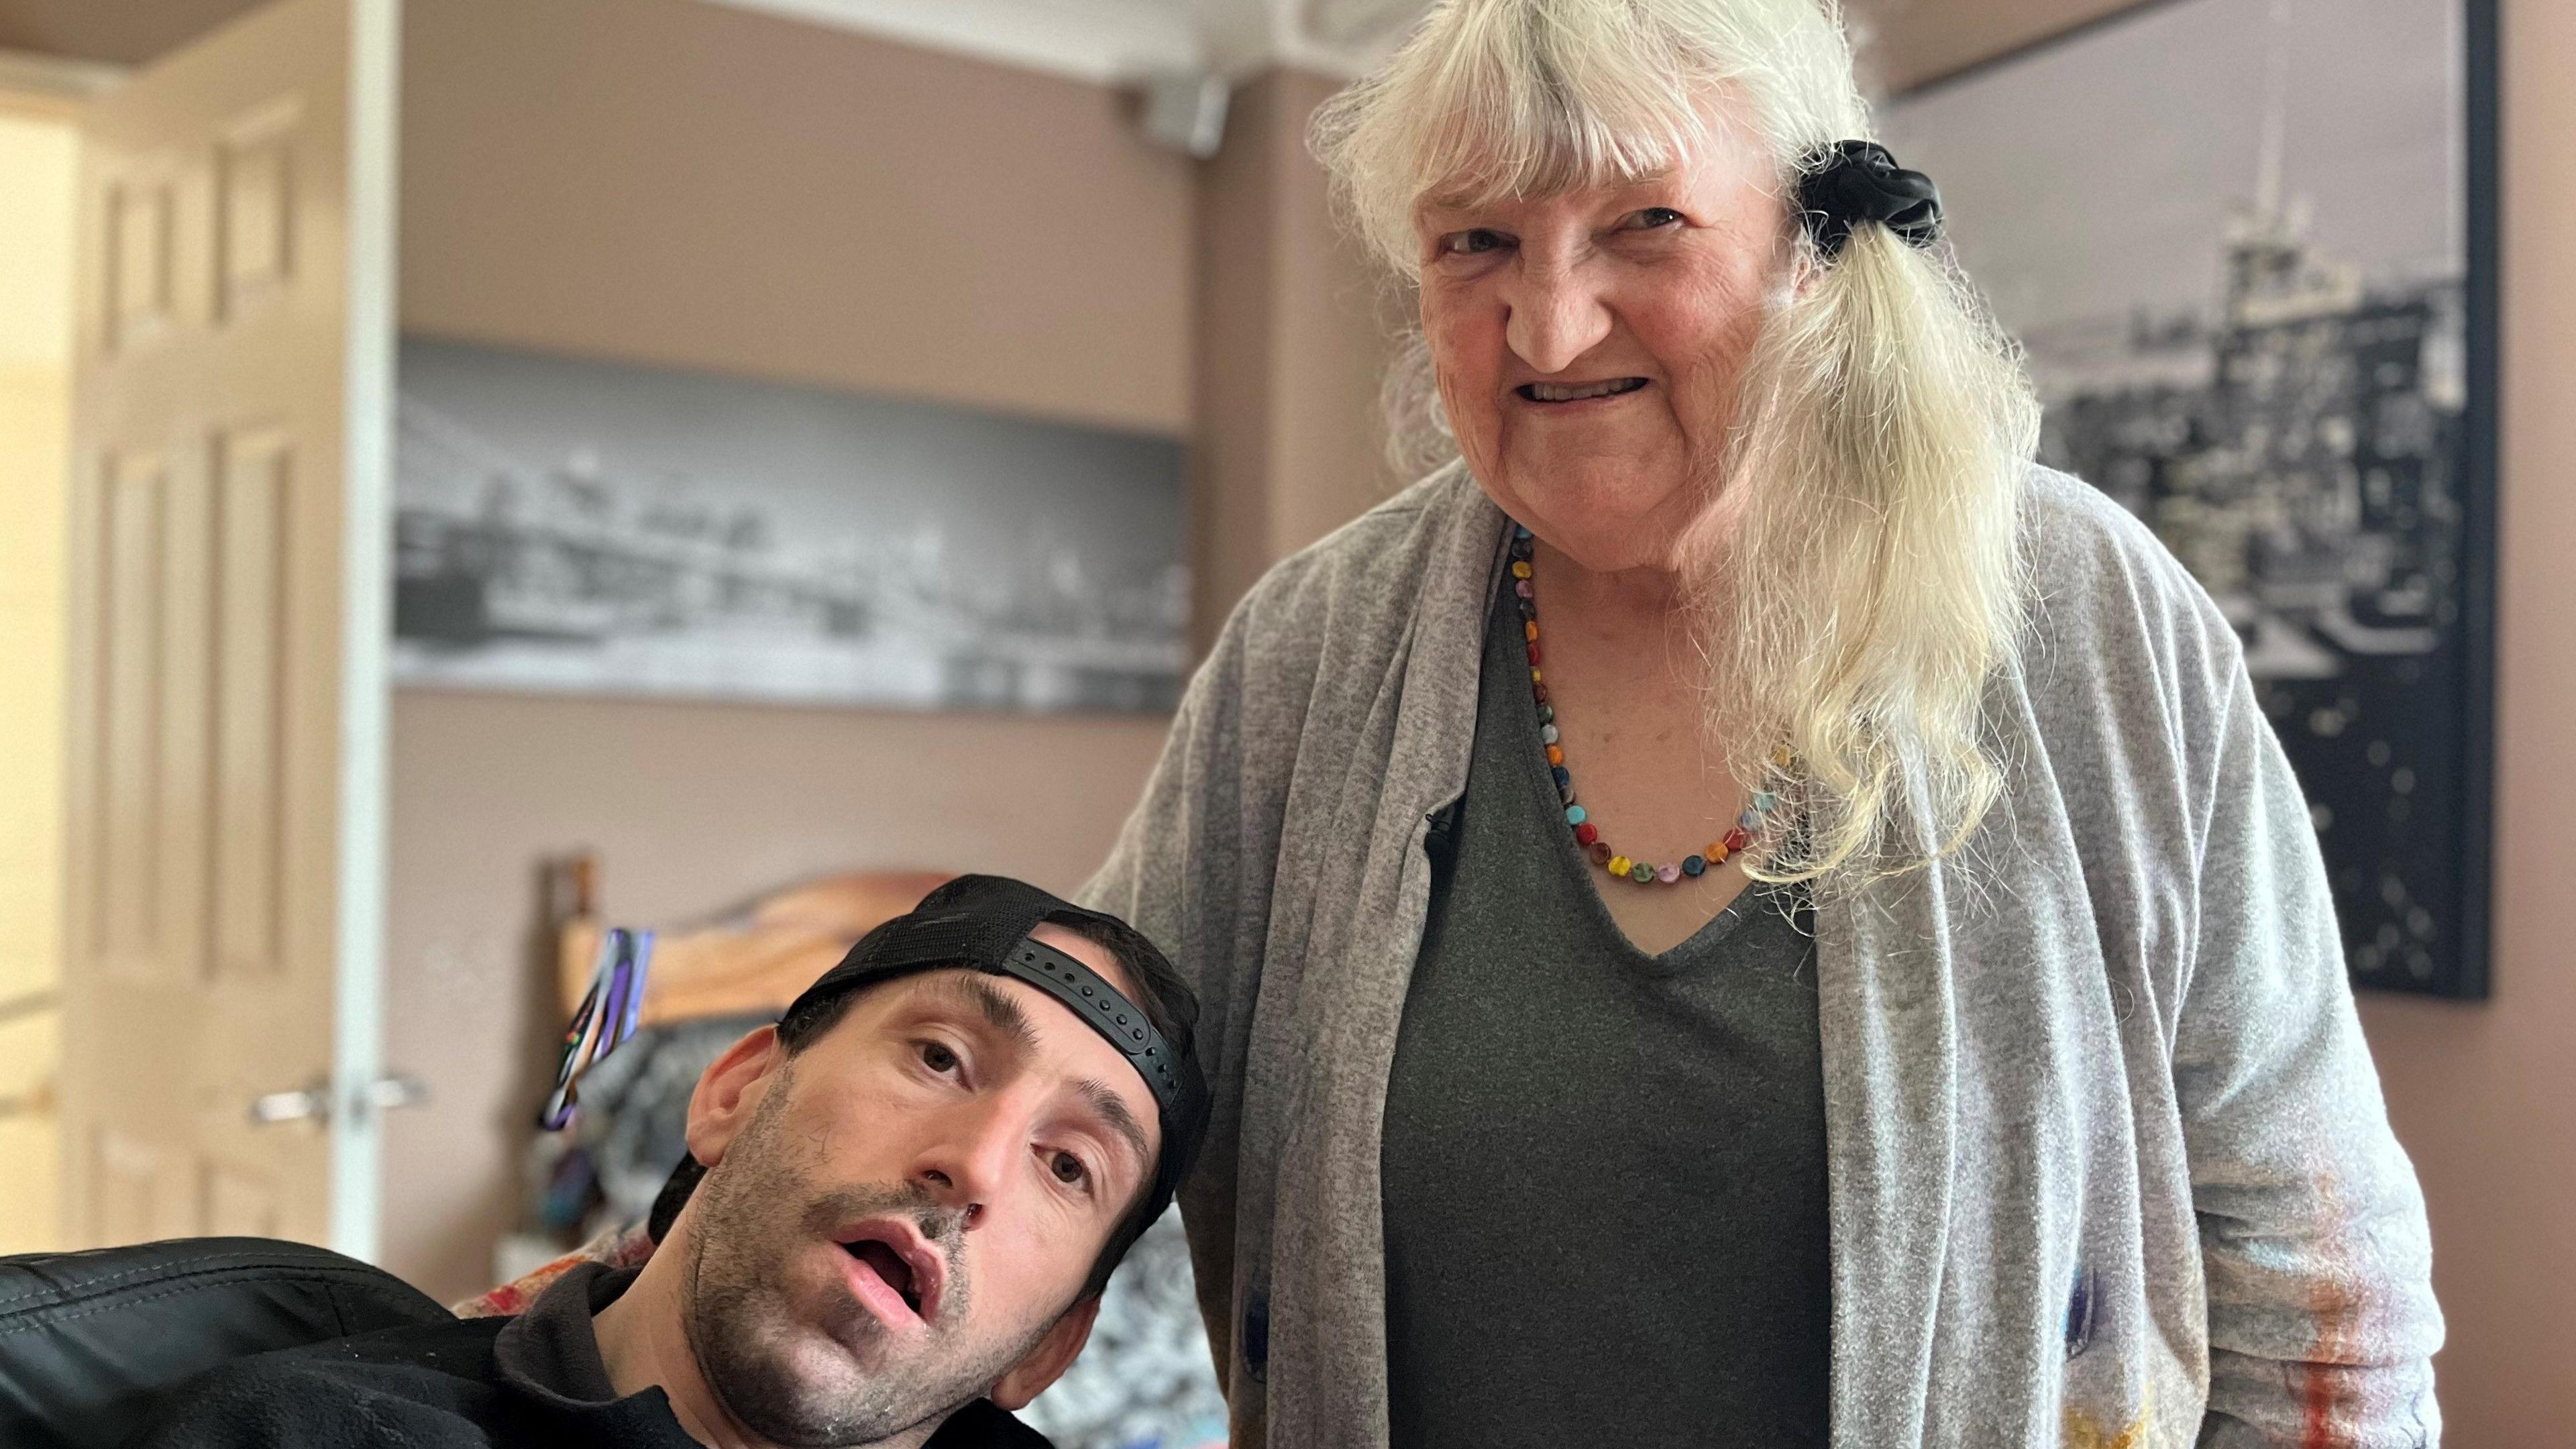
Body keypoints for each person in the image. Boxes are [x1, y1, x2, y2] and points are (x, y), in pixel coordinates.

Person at [1083, 1, 2441, 1446]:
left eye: (1645, 222)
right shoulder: (1311, 654)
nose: (1547, 323)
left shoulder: (2083, 618)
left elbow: (2316, 1289)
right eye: (1474, 240)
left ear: (1810, 247)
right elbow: (1075, 1079)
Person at [126, 876, 1211, 1449]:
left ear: (1052, 1352)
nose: (974, 1167)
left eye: (1069, 1166)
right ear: (735, 1094)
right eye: (939, 1057)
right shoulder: (307, 1434)